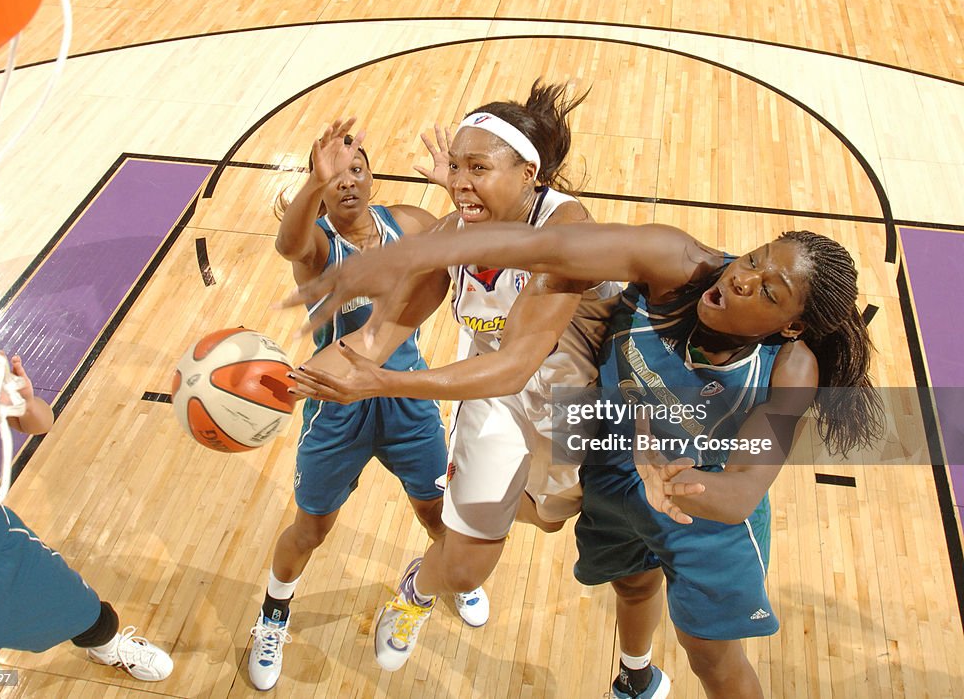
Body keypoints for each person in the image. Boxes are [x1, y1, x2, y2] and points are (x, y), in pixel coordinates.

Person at [287, 220, 883, 698]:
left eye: (768, 291)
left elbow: (743, 493)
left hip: (702, 503)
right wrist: (414, 256)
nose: (744, 278)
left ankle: (632, 678)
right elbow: (544, 244)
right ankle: (635, 674)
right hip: (609, 446)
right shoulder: (678, 262)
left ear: (790, 325)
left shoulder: (793, 371)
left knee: (712, 658)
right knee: (621, 575)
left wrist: (672, 483)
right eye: (755, 258)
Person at [288, 81, 623, 673]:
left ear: (530, 176)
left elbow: (520, 363)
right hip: (488, 395)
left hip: (573, 396)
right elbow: (374, 338)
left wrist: (386, 383)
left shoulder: (569, 230)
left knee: (550, 519)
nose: (459, 181)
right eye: (456, 167)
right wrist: (279, 384)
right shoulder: (453, 235)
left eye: (478, 167)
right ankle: (418, 589)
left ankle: (478, 511)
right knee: (466, 565)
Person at [247, 119, 486, 692]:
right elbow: (288, 243)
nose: (348, 182)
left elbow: (466, 236)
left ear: (372, 176)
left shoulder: (407, 222)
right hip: (337, 405)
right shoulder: (319, 244)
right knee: (311, 529)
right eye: (334, 175)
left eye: (357, 169)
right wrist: (312, 186)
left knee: (435, 513)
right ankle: (272, 615)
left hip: (406, 397)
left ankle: (453, 575)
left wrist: (457, 187)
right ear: (320, 185)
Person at [0, 356, 174, 698]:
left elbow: (40, 421)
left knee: (91, 616)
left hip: (2, 552)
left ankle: (107, 648)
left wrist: (23, 402)